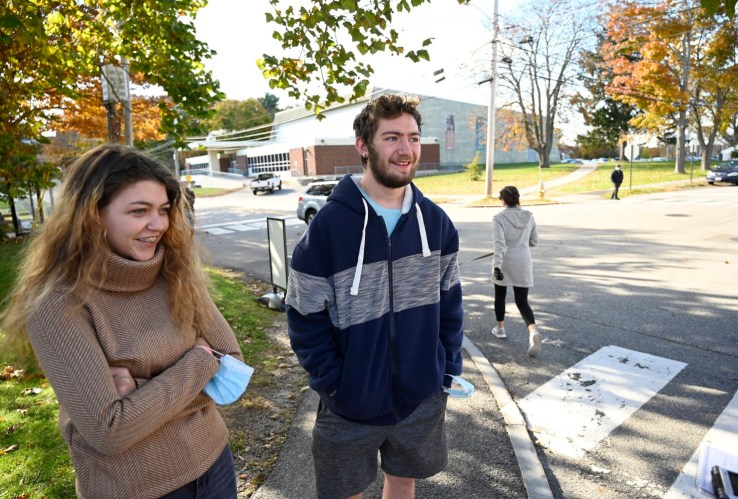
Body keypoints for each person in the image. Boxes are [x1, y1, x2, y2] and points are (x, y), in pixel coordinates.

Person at [1, 144, 243, 499]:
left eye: (162, 210)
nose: (158, 224)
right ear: (93, 215)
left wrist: (141, 394)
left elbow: (234, 366)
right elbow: (110, 431)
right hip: (137, 488)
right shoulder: (58, 303)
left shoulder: (174, 272)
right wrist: (199, 362)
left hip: (215, 463)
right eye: (139, 211)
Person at [285, 94, 464, 499]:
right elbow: (304, 318)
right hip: (348, 403)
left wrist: (444, 369)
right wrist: (335, 385)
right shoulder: (326, 230)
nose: (406, 150)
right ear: (363, 146)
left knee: (403, 482)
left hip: (421, 396)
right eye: (392, 138)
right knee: (344, 492)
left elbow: (451, 306)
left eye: (414, 138)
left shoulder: (436, 223)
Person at [491, 185, 542, 358]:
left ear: (503, 200)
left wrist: (496, 266)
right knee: (522, 301)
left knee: (500, 296)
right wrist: (520, 243)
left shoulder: (498, 218)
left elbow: (499, 245)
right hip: (523, 261)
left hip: (505, 261)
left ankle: (500, 329)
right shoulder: (529, 216)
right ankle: (533, 331)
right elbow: (534, 241)